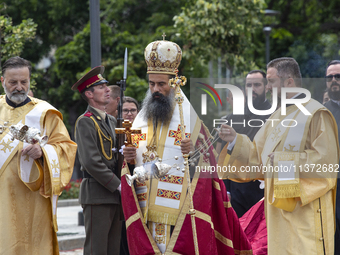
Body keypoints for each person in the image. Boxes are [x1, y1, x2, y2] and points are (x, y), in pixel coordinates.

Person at [121, 39, 251, 255]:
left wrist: (193, 152)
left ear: (175, 82)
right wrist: (129, 158)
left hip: (179, 210)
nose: (155, 90)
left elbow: (208, 165)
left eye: (161, 84)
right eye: (152, 84)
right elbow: (133, 165)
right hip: (146, 208)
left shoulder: (189, 118)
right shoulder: (140, 120)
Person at [218, 57, 339, 255]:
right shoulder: (277, 116)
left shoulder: (316, 113)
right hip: (277, 216)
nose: (267, 88)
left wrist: (285, 161)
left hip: (304, 213)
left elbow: (326, 163)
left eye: (272, 82)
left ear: (289, 82)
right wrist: (234, 141)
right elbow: (257, 158)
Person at [0, 56, 77, 254]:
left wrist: (43, 152)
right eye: (13, 82)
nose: (19, 87)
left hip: (33, 200)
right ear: (2, 81)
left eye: (23, 82)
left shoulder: (45, 113)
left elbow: (66, 148)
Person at [72, 66, 134, 255]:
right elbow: (91, 162)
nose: (108, 89)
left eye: (107, 86)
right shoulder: (86, 121)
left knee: (113, 249)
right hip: (98, 195)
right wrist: (119, 185)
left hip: (114, 195)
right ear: (89, 94)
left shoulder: (110, 120)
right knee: (97, 250)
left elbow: (118, 155)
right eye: (101, 87)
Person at [218, 70, 271, 218]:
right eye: (249, 85)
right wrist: (226, 189)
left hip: (263, 190)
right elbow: (225, 155)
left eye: (257, 85)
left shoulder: (276, 115)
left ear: (266, 87)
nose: (252, 89)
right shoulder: (233, 117)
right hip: (237, 192)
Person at [323, 60, 340, 255]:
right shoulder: (319, 113)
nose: (334, 80)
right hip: (329, 188)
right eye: (330, 77)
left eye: (338, 76)